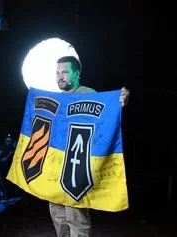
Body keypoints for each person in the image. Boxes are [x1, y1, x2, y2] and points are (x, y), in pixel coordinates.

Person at [49, 55, 130, 237]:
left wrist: (120, 101)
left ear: (77, 73)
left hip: (76, 167)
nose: (60, 77)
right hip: (56, 168)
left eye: (64, 72)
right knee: (57, 215)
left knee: (75, 217)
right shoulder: (55, 98)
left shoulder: (86, 93)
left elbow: (105, 112)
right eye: (57, 73)